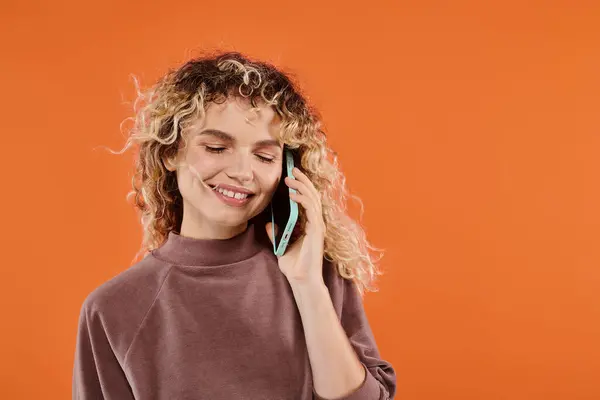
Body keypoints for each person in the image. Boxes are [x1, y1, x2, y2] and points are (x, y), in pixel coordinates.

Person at [72, 51, 397, 400]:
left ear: (287, 170)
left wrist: (307, 287)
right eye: (216, 147)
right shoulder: (112, 309)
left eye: (264, 156)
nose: (243, 172)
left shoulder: (316, 271)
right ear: (170, 152)